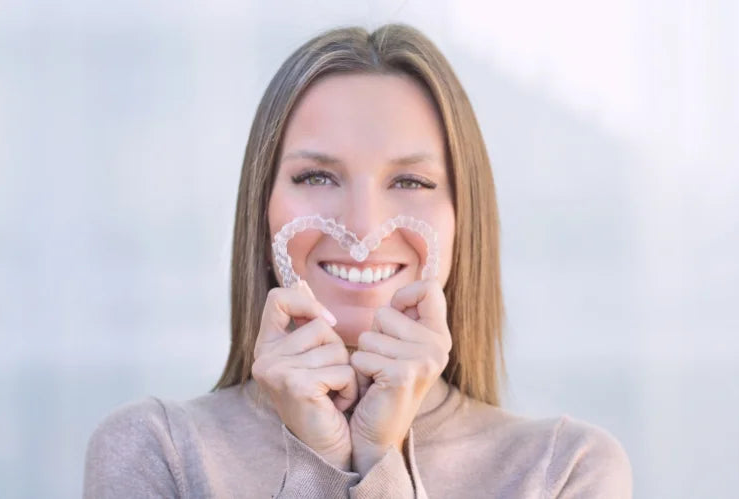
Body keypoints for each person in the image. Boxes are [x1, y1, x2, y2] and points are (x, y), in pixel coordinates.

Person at [83, 23, 633, 498]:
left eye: (410, 181)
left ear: (465, 217)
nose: (363, 227)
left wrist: (378, 459)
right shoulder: (155, 452)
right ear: (262, 205)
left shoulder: (565, 470)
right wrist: (317, 459)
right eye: (317, 177)